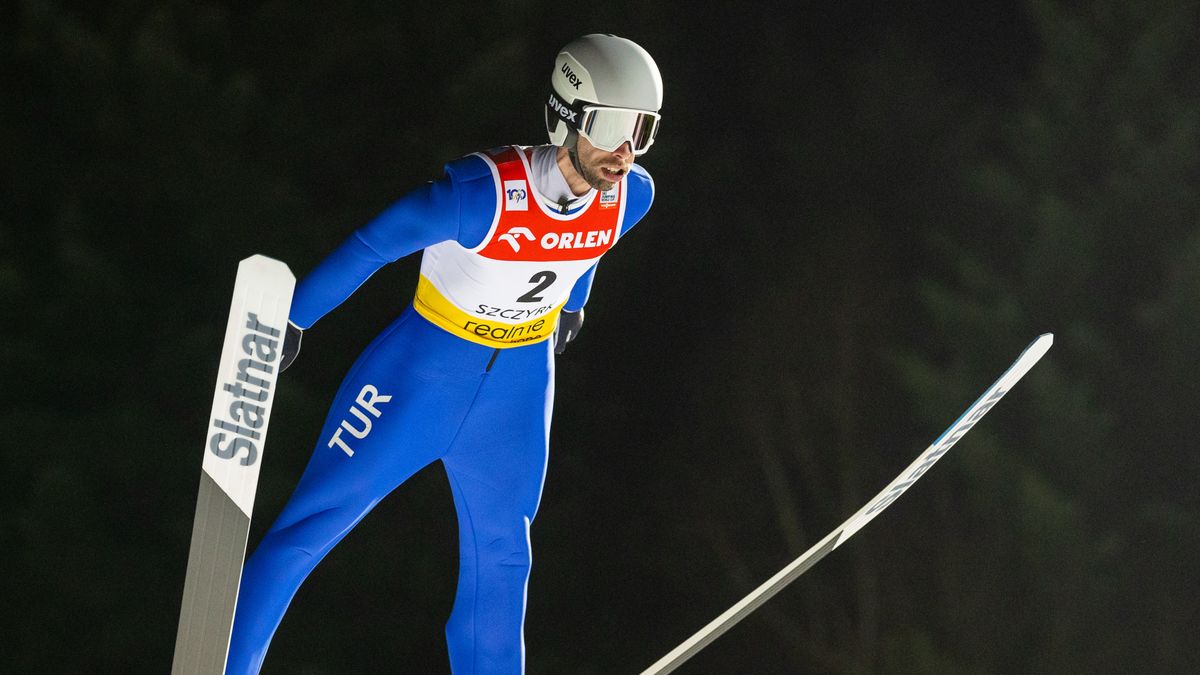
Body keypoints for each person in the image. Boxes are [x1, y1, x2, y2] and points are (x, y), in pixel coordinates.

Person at [226, 34, 663, 674]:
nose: (626, 152)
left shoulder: (633, 195)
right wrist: (289, 321)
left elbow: (592, 246)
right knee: (311, 527)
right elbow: (375, 244)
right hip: (421, 376)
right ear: (566, 117)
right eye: (614, 128)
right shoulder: (483, 196)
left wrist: (572, 308)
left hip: (516, 391)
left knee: (505, 559)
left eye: (644, 132)